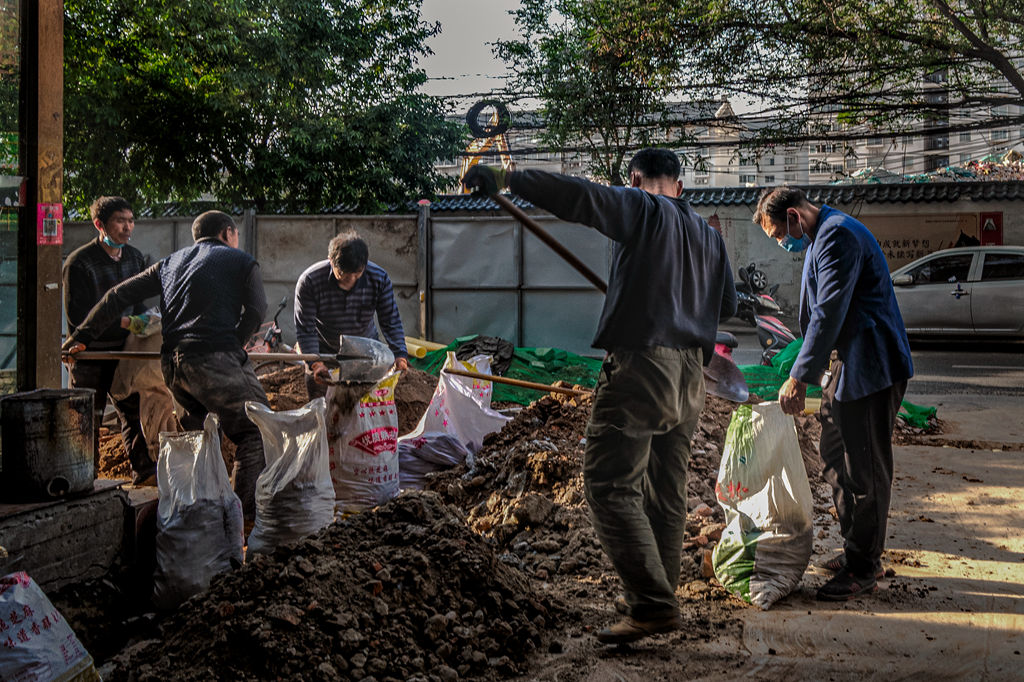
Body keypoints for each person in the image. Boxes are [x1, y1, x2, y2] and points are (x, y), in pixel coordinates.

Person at [462, 149, 737, 644]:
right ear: (679, 183)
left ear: (635, 180)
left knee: (609, 485)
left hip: (642, 368)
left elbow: (581, 198)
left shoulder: (642, 208)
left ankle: (652, 604)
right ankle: (658, 595)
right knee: (666, 492)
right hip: (691, 375)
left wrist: (508, 177)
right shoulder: (708, 236)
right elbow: (728, 306)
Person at [752, 187, 913, 601]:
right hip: (847, 367)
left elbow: (828, 312)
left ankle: (864, 567)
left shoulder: (837, 235)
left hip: (871, 366)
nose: (782, 244)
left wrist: (800, 376)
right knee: (834, 454)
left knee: (865, 467)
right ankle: (857, 547)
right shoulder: (824, 235)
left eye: (778, 236)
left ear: (793, 217)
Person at [62, 210, 270, 525]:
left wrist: (80, 337)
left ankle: (197, 519)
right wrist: (236, 343)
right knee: (255, 430)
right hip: (217, 358)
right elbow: (257, 309)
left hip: (175, 366)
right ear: (228, 233)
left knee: (195, 439)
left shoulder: (171, 263)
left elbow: (117, 295)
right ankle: (241, 523)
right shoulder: (240, 261)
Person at [62, 196, 154, 485]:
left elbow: (139, 306)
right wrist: (126, 322)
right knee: (86, 420)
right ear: (99, 224)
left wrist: (146, 322)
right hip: (90, 354)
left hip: (125, 352)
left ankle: (145, 474)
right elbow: (79, 319)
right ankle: (81, 477)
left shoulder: (135, 258)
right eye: (119, 221)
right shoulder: (79, 263)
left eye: (130, 220)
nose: (127, 228)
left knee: (134, 413)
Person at [294, 231, 409, 400]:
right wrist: (315, 364)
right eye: (343, 275)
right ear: (330, 260)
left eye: (357, 274)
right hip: (323, 352)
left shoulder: (379, 278)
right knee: (320, 406)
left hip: (364, 352)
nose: (350, 281)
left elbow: (390, 319)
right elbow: (306, 329)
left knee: (363, 406)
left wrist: (400, 354)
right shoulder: (310, 281)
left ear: (365, 264)